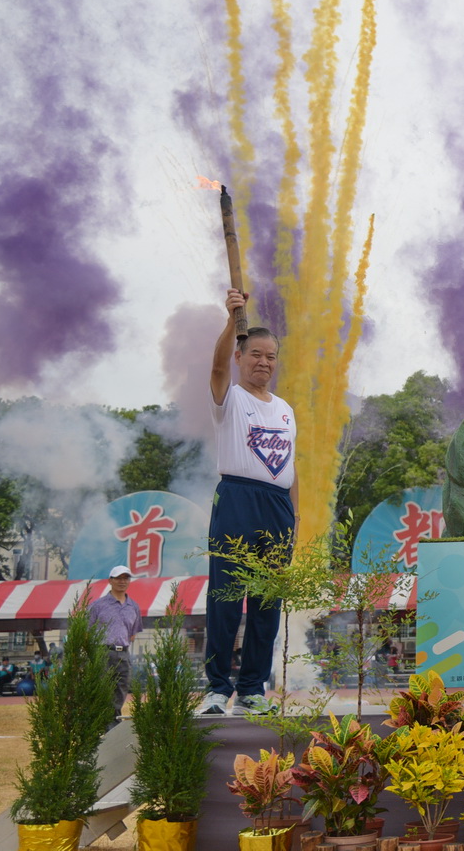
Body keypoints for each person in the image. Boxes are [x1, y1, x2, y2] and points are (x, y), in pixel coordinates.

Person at [202, 288, 299, 717]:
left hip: (278, 508)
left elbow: (291, 467)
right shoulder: (230, 397)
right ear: (242, 357)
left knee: (267, 603)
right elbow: (216, 364)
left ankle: (254, 688)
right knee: (226, 597)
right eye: (255, 353)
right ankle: (217, 688)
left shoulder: (285, 409)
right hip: (238, 499)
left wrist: (294, 516)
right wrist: (231, 319)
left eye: (271, 356)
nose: (263, 361)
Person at [87, 565, 143, 715]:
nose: (122, 581)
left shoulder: (134, 607)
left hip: (123, 653)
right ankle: (104, 724)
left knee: (121, 688)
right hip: (102, 652)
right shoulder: (97, 606)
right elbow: (86, 632)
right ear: (110, 581)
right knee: (102, 690)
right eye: (118, 578)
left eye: (126, 578)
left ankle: (113, 722)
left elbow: (132, 634)